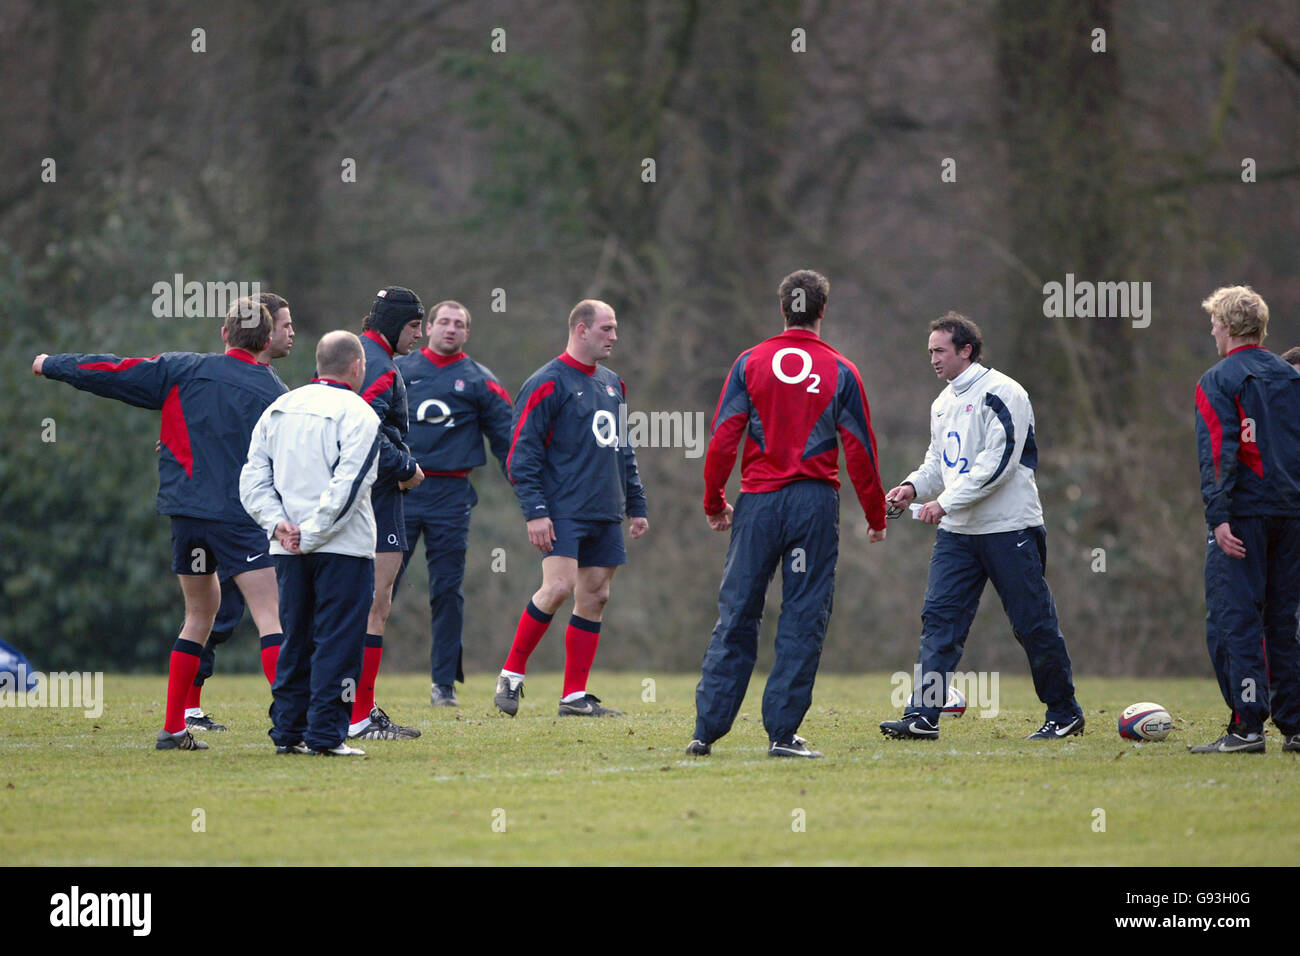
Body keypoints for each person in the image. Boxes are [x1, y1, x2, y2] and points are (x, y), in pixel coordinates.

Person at [33, 298, 290, 751]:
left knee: (197, 616)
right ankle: (290, 726)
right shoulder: (276, 394)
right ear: (267, 341)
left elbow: (112, 371)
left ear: (224, 334)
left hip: (186, 515)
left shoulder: (182, 369)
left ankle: (174, 728)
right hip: (239, 517)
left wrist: (53, 364)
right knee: (270, 616)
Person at [688, 270, 888, 759]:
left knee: (737, 613)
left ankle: (705, 731)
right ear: (823, 311)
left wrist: (714, 501)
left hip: (757, 506)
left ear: (783, 309)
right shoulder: (842, 370)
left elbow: (722, 440)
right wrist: (876, 514)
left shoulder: (748, 363)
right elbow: (859, 450)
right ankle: (782, 734)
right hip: (813, 507)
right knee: (802, 615)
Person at [878, 312, 1084, 741]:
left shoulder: (1004, 393)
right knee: (939, 622)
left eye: (940, 350)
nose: (932, 358)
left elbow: (999, 465)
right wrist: (911, 488)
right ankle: (923, 716)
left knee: (1032, 624)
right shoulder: (942, 402)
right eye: (930, 350)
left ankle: (1064, 712)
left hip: (1009, 530)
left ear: (966, 350)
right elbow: (939, 462)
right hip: (957, 535)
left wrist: (944, 502)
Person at [493, 299, 648, 717]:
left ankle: (574, 697)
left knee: (596, 595)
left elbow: (623, 448)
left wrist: (636, 504)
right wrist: (535, 511)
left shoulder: (614, 383)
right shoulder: (547, 382)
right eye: (607, 329)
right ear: (581, 330)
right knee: (558, 587)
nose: (614, 337)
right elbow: (520, 456)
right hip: (561, 508)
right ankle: (511, 675)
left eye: (615, 329)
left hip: (604, 509)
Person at [240, 331, 380, 756]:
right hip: (342, 548)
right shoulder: (360, 414)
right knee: (339, 641)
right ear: (357, 367)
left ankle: (288, 732)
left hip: (287, 546)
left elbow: (252, 479)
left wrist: (279, 524)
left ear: (319, 363)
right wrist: (313, 532)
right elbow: (349, 486)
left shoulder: (278, 409)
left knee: (295, 637)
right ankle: (326, 735)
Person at [1191, 286, 1300, 753]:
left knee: (1235, 620)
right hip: (1292, 516)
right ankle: (1295, 726)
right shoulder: (1291, 377)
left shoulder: (1218, 380)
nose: (1212, 329)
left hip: (1244, 518)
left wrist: (1218, 517)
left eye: (1215, 322)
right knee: (1283, 622)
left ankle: (1246, 727)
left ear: (1230, 326)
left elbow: (1220, 454)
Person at [182, 292, 295, 732]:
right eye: (285, 325)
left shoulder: (266, 383)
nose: (291, 332)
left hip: (229, 516)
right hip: (238, 519)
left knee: (215, 615)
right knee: (230, 615)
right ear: (265, 334)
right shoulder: (263, 388)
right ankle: (286, 713)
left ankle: (187, 712)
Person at [393, 300, 513, 707]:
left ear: (467, 333)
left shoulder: (480, 381)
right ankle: (352, 675)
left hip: (451, 497)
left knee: (447, 590)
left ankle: (443, 684)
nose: (450, 329)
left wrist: (534, 498)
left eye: (458, 324)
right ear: (427, 328)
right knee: (380, 586)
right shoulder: (401, 371)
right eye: (443, 322)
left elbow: (508, 444)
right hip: (402, 491)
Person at [347, 286, 427, 741]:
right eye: (414, 326)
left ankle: (352, 709)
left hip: (354, 497)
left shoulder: (361, 357)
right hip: (376, 498)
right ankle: (360, 715)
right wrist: (406, 467)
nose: (420, 334)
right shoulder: (379, 366)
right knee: (375, 605)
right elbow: (362, 429)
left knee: (356, 605)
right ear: (394, 324)